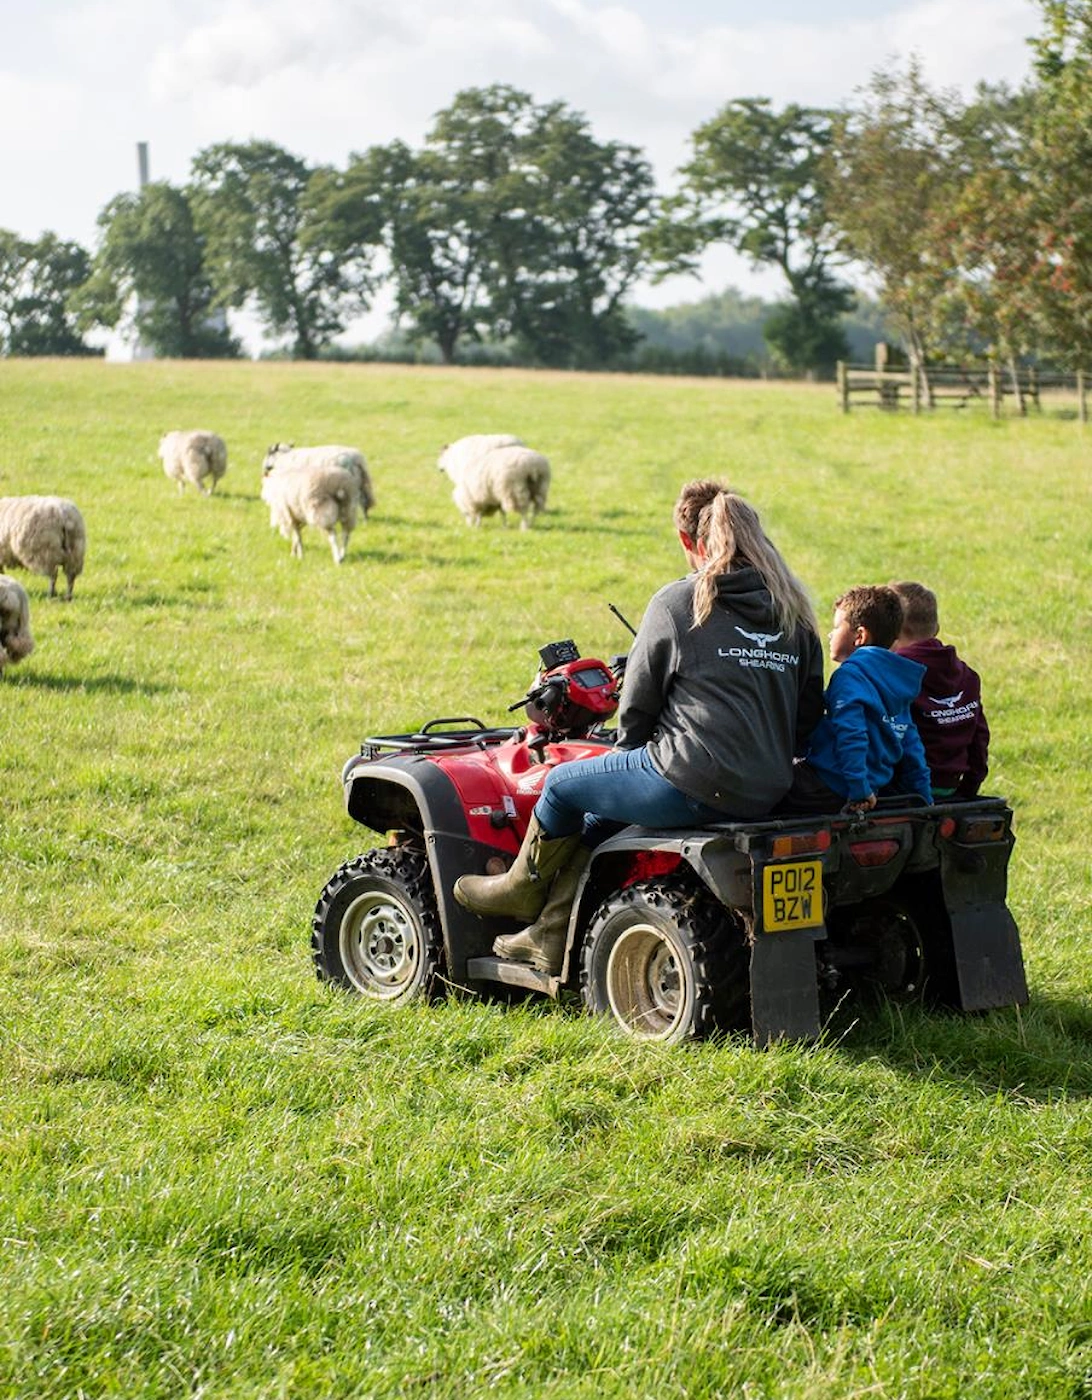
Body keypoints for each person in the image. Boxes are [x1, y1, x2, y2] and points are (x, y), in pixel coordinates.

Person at [453, 481, 825, 974]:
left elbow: (637, 707)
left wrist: (627, 750)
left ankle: (519, 888)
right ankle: (547, 935)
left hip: (692, 780)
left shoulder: (680, 602)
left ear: (693, 539)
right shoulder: (794, 614)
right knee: (598, 821)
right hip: (769, 786)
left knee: (563, 785)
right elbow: (806, 718)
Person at [785, 584, 932, 815]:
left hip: (830, 784)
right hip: (871, 785)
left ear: (860, 636)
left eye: (836, 627)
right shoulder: (899, 680)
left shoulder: (850, 675)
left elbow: (851, 733)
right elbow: (910, 744)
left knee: (769, 781)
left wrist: (859, 789)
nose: (830, 634)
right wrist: (925, 799)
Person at [889, 580, 989, 799]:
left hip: (902, 790)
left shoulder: (892, 673)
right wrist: (968, 791)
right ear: (936, 628)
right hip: (950, 788)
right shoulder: (967, 675)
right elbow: (980, 737)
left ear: (893, 629)